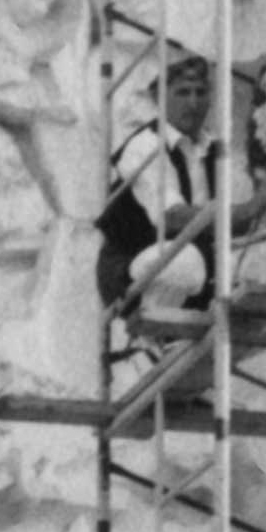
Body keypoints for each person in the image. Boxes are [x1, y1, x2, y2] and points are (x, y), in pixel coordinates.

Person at [95, 47, 216, 335]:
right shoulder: (145, 146)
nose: (194, 102)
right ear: (160, 98)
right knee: (183, 259)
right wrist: (240, 211)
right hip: (132, 267)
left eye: (201, 92)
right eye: (183, 93)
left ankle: (180, 328)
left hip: (192, 271)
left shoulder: (212, 149)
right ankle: (155, 333)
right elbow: (172, 217)